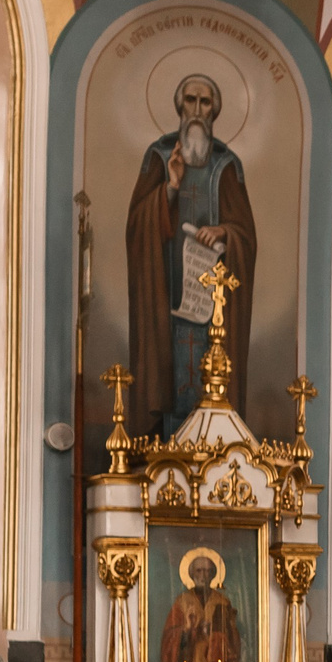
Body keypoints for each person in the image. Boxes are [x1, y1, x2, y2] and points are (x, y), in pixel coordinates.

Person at [126, 73, 257, 435]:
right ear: (179, 106)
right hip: (167, 297)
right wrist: (169, 187)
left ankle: (213, 441)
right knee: (171, 374)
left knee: (207, 376)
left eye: (205, 103)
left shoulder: (227, 165)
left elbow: (245, 235)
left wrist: (224, 233)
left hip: (212, 305)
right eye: (190, 101)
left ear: (214, 111)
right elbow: (137, 225)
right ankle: (166, 441)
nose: (197, 111)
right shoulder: (159, 155)